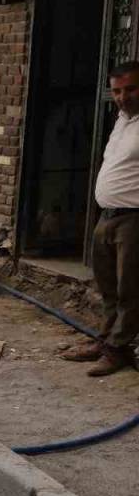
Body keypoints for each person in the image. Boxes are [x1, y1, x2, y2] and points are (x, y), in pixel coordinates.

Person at [61, 60, 139, 376]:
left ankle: (118, 349)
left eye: (131, 89)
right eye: (117, 91)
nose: (122, 97)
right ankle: (104, 339)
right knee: (107, 288)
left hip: (133, 219)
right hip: (106, 217)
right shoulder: (122, 121)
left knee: (130, 290)